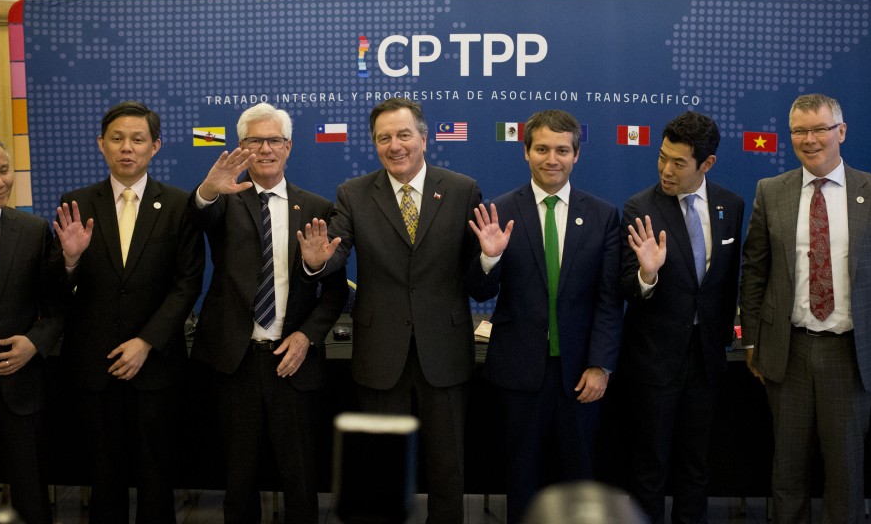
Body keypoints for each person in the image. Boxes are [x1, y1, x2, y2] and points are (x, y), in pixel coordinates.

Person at [299, 97, 491, 524]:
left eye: (404, 134)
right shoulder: (352, 193)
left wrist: (490, 259)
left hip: (443, 350)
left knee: (447, 468)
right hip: (380, 352)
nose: (395, 145)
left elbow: (480, 284)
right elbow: (333, 253)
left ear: (424, 138)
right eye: (384, 138)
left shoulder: (462, 189)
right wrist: (315, 262)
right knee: (379, 471)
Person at [739, 93, 871, 524]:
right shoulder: (771, 192)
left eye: (819, 129)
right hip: (788, 352)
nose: (810, 139)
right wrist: (754, 343)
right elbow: (754, 272)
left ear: (841, 132)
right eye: (800, 130)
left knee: (845, 473)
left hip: (850, 355)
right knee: (787, 473)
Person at [189, 103, 348, 524]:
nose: (264, 148)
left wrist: (306, 336)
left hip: (292, 361)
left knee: (300, 479)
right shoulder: (226, 198)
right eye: (254, 140)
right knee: (238, 481)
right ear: (241, 147)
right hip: (235, 360)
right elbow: (197, 216)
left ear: (288, 147)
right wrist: (207, 191)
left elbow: (333, 293)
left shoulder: (317, 207)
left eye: (273, 140)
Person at [52, 101, 205, 524]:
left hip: (156, 366)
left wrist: (146, 341)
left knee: (158, 476)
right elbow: (56, 291)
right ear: (101, 144)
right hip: (94, 367)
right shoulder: (76, 203)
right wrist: (68, 261)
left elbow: (187, 283)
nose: (127, 148)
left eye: (138, 139)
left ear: (155, 146)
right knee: (103, 478)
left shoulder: (178, 205)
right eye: (117, 139)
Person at [468, 109, 624, 524]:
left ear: (576, 156)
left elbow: (610, 299)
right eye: (541, 149)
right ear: (526, 153)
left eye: (561, 150)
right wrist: (489, 256)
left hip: (580, 372)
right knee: (522, 475)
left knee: (580, 474)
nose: (551, 158)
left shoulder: (603, 215)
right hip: (518, 371)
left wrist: (600, 364)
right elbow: (480, 290)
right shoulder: (499, 211)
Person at [618, 111, 744, 523]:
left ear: (706, 164)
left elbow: (725, 283)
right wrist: (647, 273)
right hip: (655, 360)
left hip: (707, 359)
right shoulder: (641, 206)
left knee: (696, 465)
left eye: (678, 163)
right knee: (650, 467)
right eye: (662, 157)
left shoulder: (731, 205)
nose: (665, 170)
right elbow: (627, 288)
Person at [0, 134, 65, 524]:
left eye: (4, 171)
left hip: (22, 391)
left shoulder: (33, 229)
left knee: (31, 496)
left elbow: (57, 307)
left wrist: (33, 343)